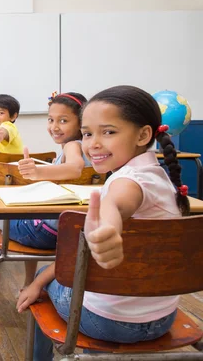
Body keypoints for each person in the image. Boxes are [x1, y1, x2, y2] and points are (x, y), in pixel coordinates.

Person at [17, 85, 190, 360]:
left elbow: (117, 202)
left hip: (111, 320)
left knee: (42, 278)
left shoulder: (128, 181)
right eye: (87, 134)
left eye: (108, 132)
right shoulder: (154, 174)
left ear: (143, 134)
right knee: (51, 274)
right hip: (162, 318)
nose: (93, 144)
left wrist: (108, 227)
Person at [0, 92, 90, 288]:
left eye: (63, 120)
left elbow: (75, 167)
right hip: (77, 234)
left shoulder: (73, 146)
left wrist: (38, 172)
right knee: (27, 217)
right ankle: (26, 280)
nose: (54, 127)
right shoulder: (91, 148)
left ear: (81, 121)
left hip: (48, 233)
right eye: (50, 120)